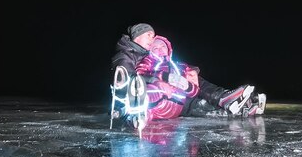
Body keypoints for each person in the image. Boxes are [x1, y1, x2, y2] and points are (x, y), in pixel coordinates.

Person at [111, 23, 263, 118]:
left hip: (179, 96)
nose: (153, 41)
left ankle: (236, 104)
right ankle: (139, 113)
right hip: (144, 96)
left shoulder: (144, 52)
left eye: (159, 44)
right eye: (149, 36)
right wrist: (158, 79)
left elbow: (182, 66)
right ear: (137, 38)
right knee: (185, 100)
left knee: (200, 97)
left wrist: (193, 71)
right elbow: (131, 77)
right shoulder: (127, 55)